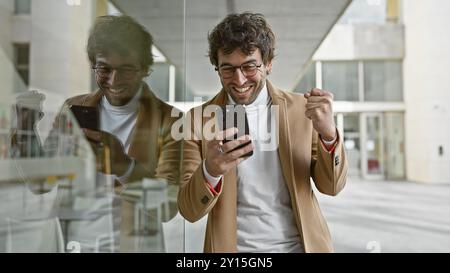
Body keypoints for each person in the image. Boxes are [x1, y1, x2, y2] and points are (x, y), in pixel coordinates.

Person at [178, 12, 348, 253]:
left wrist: (329, 135)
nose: (239, 79)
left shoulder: (301, 109)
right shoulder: (198, 120)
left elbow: (331, 187)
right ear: (217, 68)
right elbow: (189, 209)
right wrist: (211, 170)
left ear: (268, 63)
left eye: (249, 66)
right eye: (227, 69)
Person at [10, 15, 181, 252]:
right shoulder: (73, 108)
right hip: (74, 243)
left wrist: (124, 167)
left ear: (144, 69)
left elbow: (169, 206)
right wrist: (26, 129)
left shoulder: (171, 120)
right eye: (104, 68)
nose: (113, 80)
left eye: (126, 69)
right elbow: (42, 182)